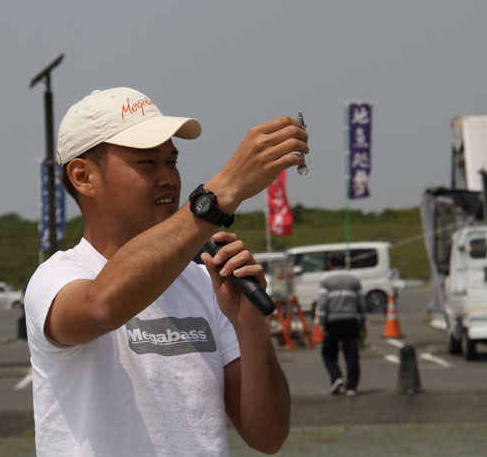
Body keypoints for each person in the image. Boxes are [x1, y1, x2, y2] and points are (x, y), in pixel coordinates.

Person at [24, 87, 308, 456]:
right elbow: (101, 307)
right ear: (83, 177)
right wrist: (221, 194)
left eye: (172, 161)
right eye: (147, 162)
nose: (168, 178)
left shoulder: (205, 283)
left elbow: (268, 437)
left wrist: (251, 329)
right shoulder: (57, 278)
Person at [317, 251, 366, 397]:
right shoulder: (354, 279)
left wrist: (321, 323)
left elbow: (323, 303)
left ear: (330, 264)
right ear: (345, 263)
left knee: (328, 353)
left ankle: (336, 376)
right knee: (351, 354)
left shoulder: (325, 279)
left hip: (332, 321)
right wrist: (363, 323)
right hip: (351, 320)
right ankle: (351, 387)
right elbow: (361, 303)